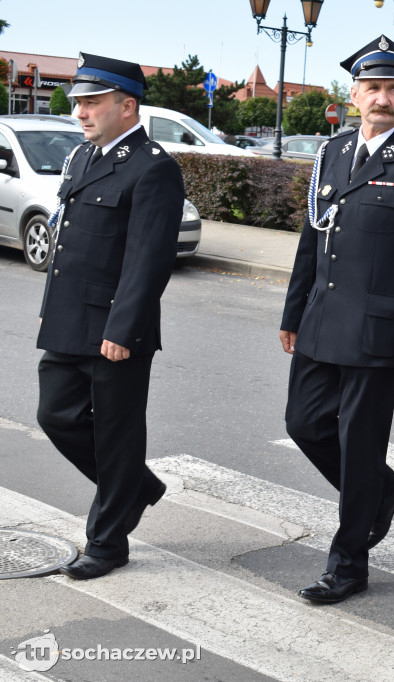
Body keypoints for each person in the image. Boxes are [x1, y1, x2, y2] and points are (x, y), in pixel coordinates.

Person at [279, 35, 394, 605]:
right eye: (372, 88)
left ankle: (348, 564)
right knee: (304, 424)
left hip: (379, 331)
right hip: (321, 319)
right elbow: (312, 238)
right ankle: (384, 490)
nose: (382, 98)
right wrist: (292, 312)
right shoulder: (330, 151)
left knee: (358, 444)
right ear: (354, 94)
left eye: (393, 90)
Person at [35, 53, 185, 580]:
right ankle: (137, 488)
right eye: (78, 102)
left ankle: (107, 542)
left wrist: (124, 329)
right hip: (69, 319)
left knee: (117, 435)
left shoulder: (154, 166)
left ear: (127, 106)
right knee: (55, 415)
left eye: (92, 102)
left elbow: (149, 260)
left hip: (115, 330)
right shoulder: (82, 157)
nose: (81, 111)